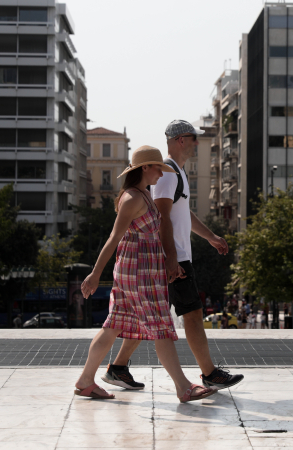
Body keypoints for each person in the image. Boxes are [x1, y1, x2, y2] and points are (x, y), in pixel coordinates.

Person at [102, 121, 244, 392]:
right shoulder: (166, 173)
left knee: (146, 316)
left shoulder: (176, 172)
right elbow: (162, 216)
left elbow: (182, 214)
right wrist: (171, 259)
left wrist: (210, 237)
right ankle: (209, 373)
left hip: (172, 255)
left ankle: (118, 367)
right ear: (180, 140)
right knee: (191, 313)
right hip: (172, 257)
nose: (197, 143)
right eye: (193, 138)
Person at [75, 145, 217, 403]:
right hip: (139, 274)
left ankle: (86, 380)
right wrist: (95, 273)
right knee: (161, 327)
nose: (161, 175)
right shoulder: (133, 198)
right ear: (145, 168)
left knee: (114, 326)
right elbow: (113, 238)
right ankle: (183, 387)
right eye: (158, 169)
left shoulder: (142, 194)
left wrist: (168, 262)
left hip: (140, 270)